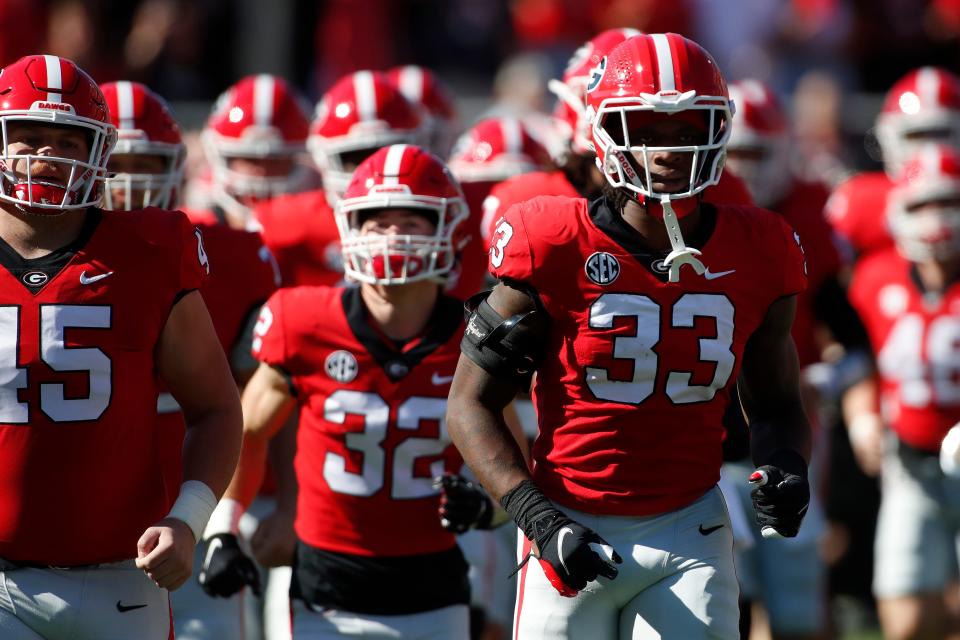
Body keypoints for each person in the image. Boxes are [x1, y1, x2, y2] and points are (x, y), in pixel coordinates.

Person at [447, 33, 812, 639]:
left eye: (688, 125)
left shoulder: (763, 245)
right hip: (568, 519)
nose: (668, 148)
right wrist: (538, 519)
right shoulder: (551, 241)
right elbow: (470, 403)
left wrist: (785, 465)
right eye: (645, 125)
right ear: (604, 130)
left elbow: (776, 404)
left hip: (690, 526)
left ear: (718, 129)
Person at [201, 144, 491, 638]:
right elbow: (245, 430)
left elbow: (508, 457)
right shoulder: (303, 319)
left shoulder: (476, 334)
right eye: (376, 220)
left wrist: (488, 505)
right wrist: (222, 526)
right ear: (350, 228)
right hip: (323, 590)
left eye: (412, 219)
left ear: (448, 230)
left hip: (433, 587)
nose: (393, 234)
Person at [0, 55, 241, 640]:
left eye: (67, 140)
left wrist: (187, 521)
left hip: (124, 577)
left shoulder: (151, 253)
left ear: (98, 153)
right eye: (28, 136)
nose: (46, 156)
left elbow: (215, 407)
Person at [483, 27, 754, 244]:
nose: (667, 152)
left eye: (682, 134)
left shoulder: (725, 191)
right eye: (646, 133)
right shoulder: (531, 204)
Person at [845, 144, 960, 640]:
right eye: (920, 204)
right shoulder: (875, 277)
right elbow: (857, 361)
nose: (934, 218)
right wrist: (861, 415)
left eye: (947, 202)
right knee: (905, 619)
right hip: (907, 462)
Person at [253, 70, 425, 288]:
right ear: (323, 156)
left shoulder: (448, 213)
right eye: (354, 158)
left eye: (386, 152)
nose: (375, 171)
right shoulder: (279, 221)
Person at [825, 67, 960, 260]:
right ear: (889, 136)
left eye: (940, 133)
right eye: (916, 135)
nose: (928, 150)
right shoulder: (857, 201)